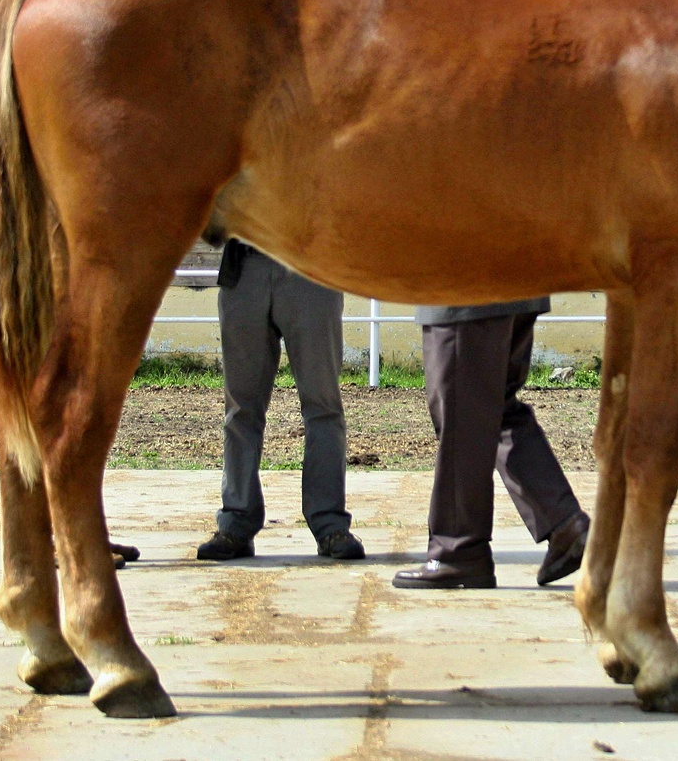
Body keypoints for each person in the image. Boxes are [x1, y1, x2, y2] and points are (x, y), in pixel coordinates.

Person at [393, 297, 590, 589]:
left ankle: (458, 549)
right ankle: (564, 524)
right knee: (497, 408)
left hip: (466, 284)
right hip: (519, 282)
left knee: (462, 410)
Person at [195, 239, 365, 562]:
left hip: (311, 263)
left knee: (323, 406)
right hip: (244, 265)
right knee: (240, 409)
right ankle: (236, 521)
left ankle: (330, 524)